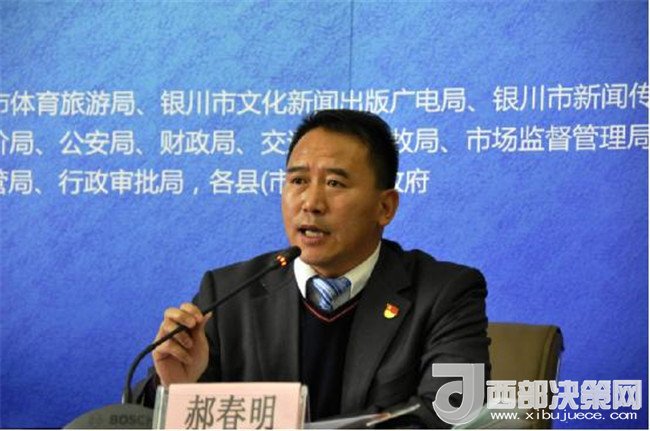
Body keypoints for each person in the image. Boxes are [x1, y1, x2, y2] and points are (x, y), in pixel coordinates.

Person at [138, 109, 490, 427]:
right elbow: (141, 415)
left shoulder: (447, 293)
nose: (311, 202)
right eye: (298, 181)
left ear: (385, 207)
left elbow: (458, 412)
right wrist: (174, 387)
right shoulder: (228, 293)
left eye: (335, 183)